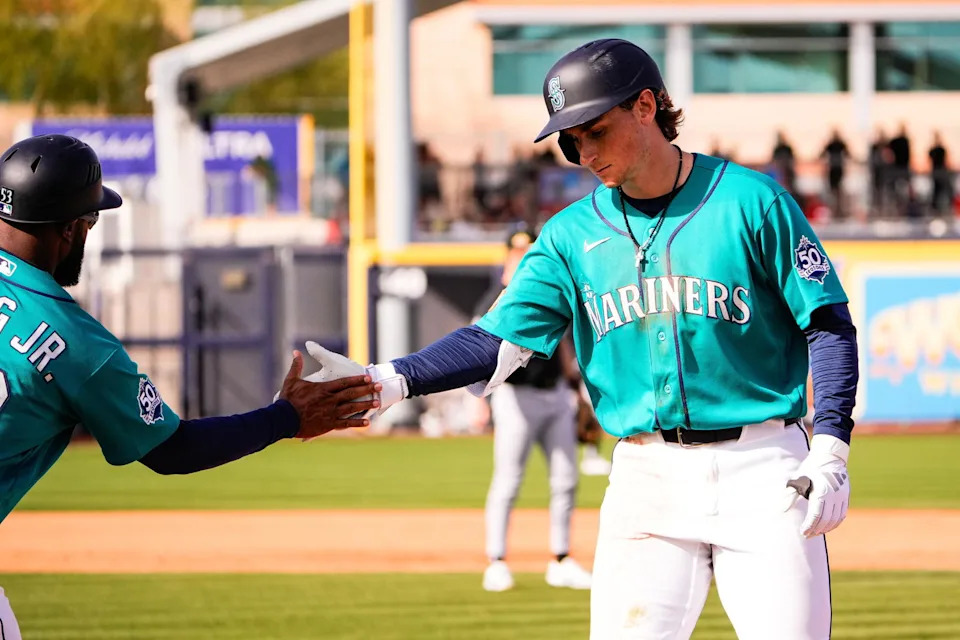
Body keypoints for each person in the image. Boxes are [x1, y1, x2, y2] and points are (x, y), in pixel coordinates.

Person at [299, 39, 858, 639]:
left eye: (595, 131)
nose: (584, 153)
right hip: (647, 476)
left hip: (764, 467)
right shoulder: (570, 234)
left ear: (646, 106)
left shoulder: (752, 202)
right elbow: (494, 340)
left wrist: (830, 444)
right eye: (570, 141)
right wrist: (388, 381)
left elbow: (826, 324)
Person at [0, 135, 380, 638]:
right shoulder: (75, 342)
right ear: (70, 229)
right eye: (91, 220)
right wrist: (288, 416)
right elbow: (174, 449)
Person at [474, 229, 593, 592]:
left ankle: (561, 559)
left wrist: (576, 390)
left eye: (529, 249)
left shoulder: (548, 290)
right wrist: (478, 402)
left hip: (554, 394)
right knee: (508, 481)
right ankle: (496, 561)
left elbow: (563, 344)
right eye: (518, 251)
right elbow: (476, 350)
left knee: (566, 479)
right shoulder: (496, 298)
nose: (524, 255)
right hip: (516, 397)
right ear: (507, 257)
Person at [821, 128, 850, 218]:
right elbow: (822, 154)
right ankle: (835, 210)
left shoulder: (841, 144)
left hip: (838, 169)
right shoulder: (830, 145)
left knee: (838, 191)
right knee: (834, 190)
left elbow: (848, 154)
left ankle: (839, 210)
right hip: (833, 169)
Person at [929, 131, 954, 216]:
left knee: (942, 189)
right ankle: (935, 208)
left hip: (940, 170)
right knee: (937, 190)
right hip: (937, 170)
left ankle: (946, 207)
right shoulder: (934, 150)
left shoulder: (941, 149)